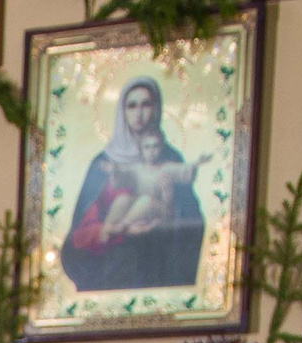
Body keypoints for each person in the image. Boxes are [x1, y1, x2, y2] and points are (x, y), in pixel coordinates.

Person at [60, 79, 206, 292]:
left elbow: (193, 223)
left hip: (156, 266)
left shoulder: (170, 158)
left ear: (155, 109)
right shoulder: (103, 162)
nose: (139, 113)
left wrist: (168, 208)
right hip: (111, 268)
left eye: (146, 104)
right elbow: (79, 232)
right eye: (132, 105)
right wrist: (112, 231)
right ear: (122, 111)